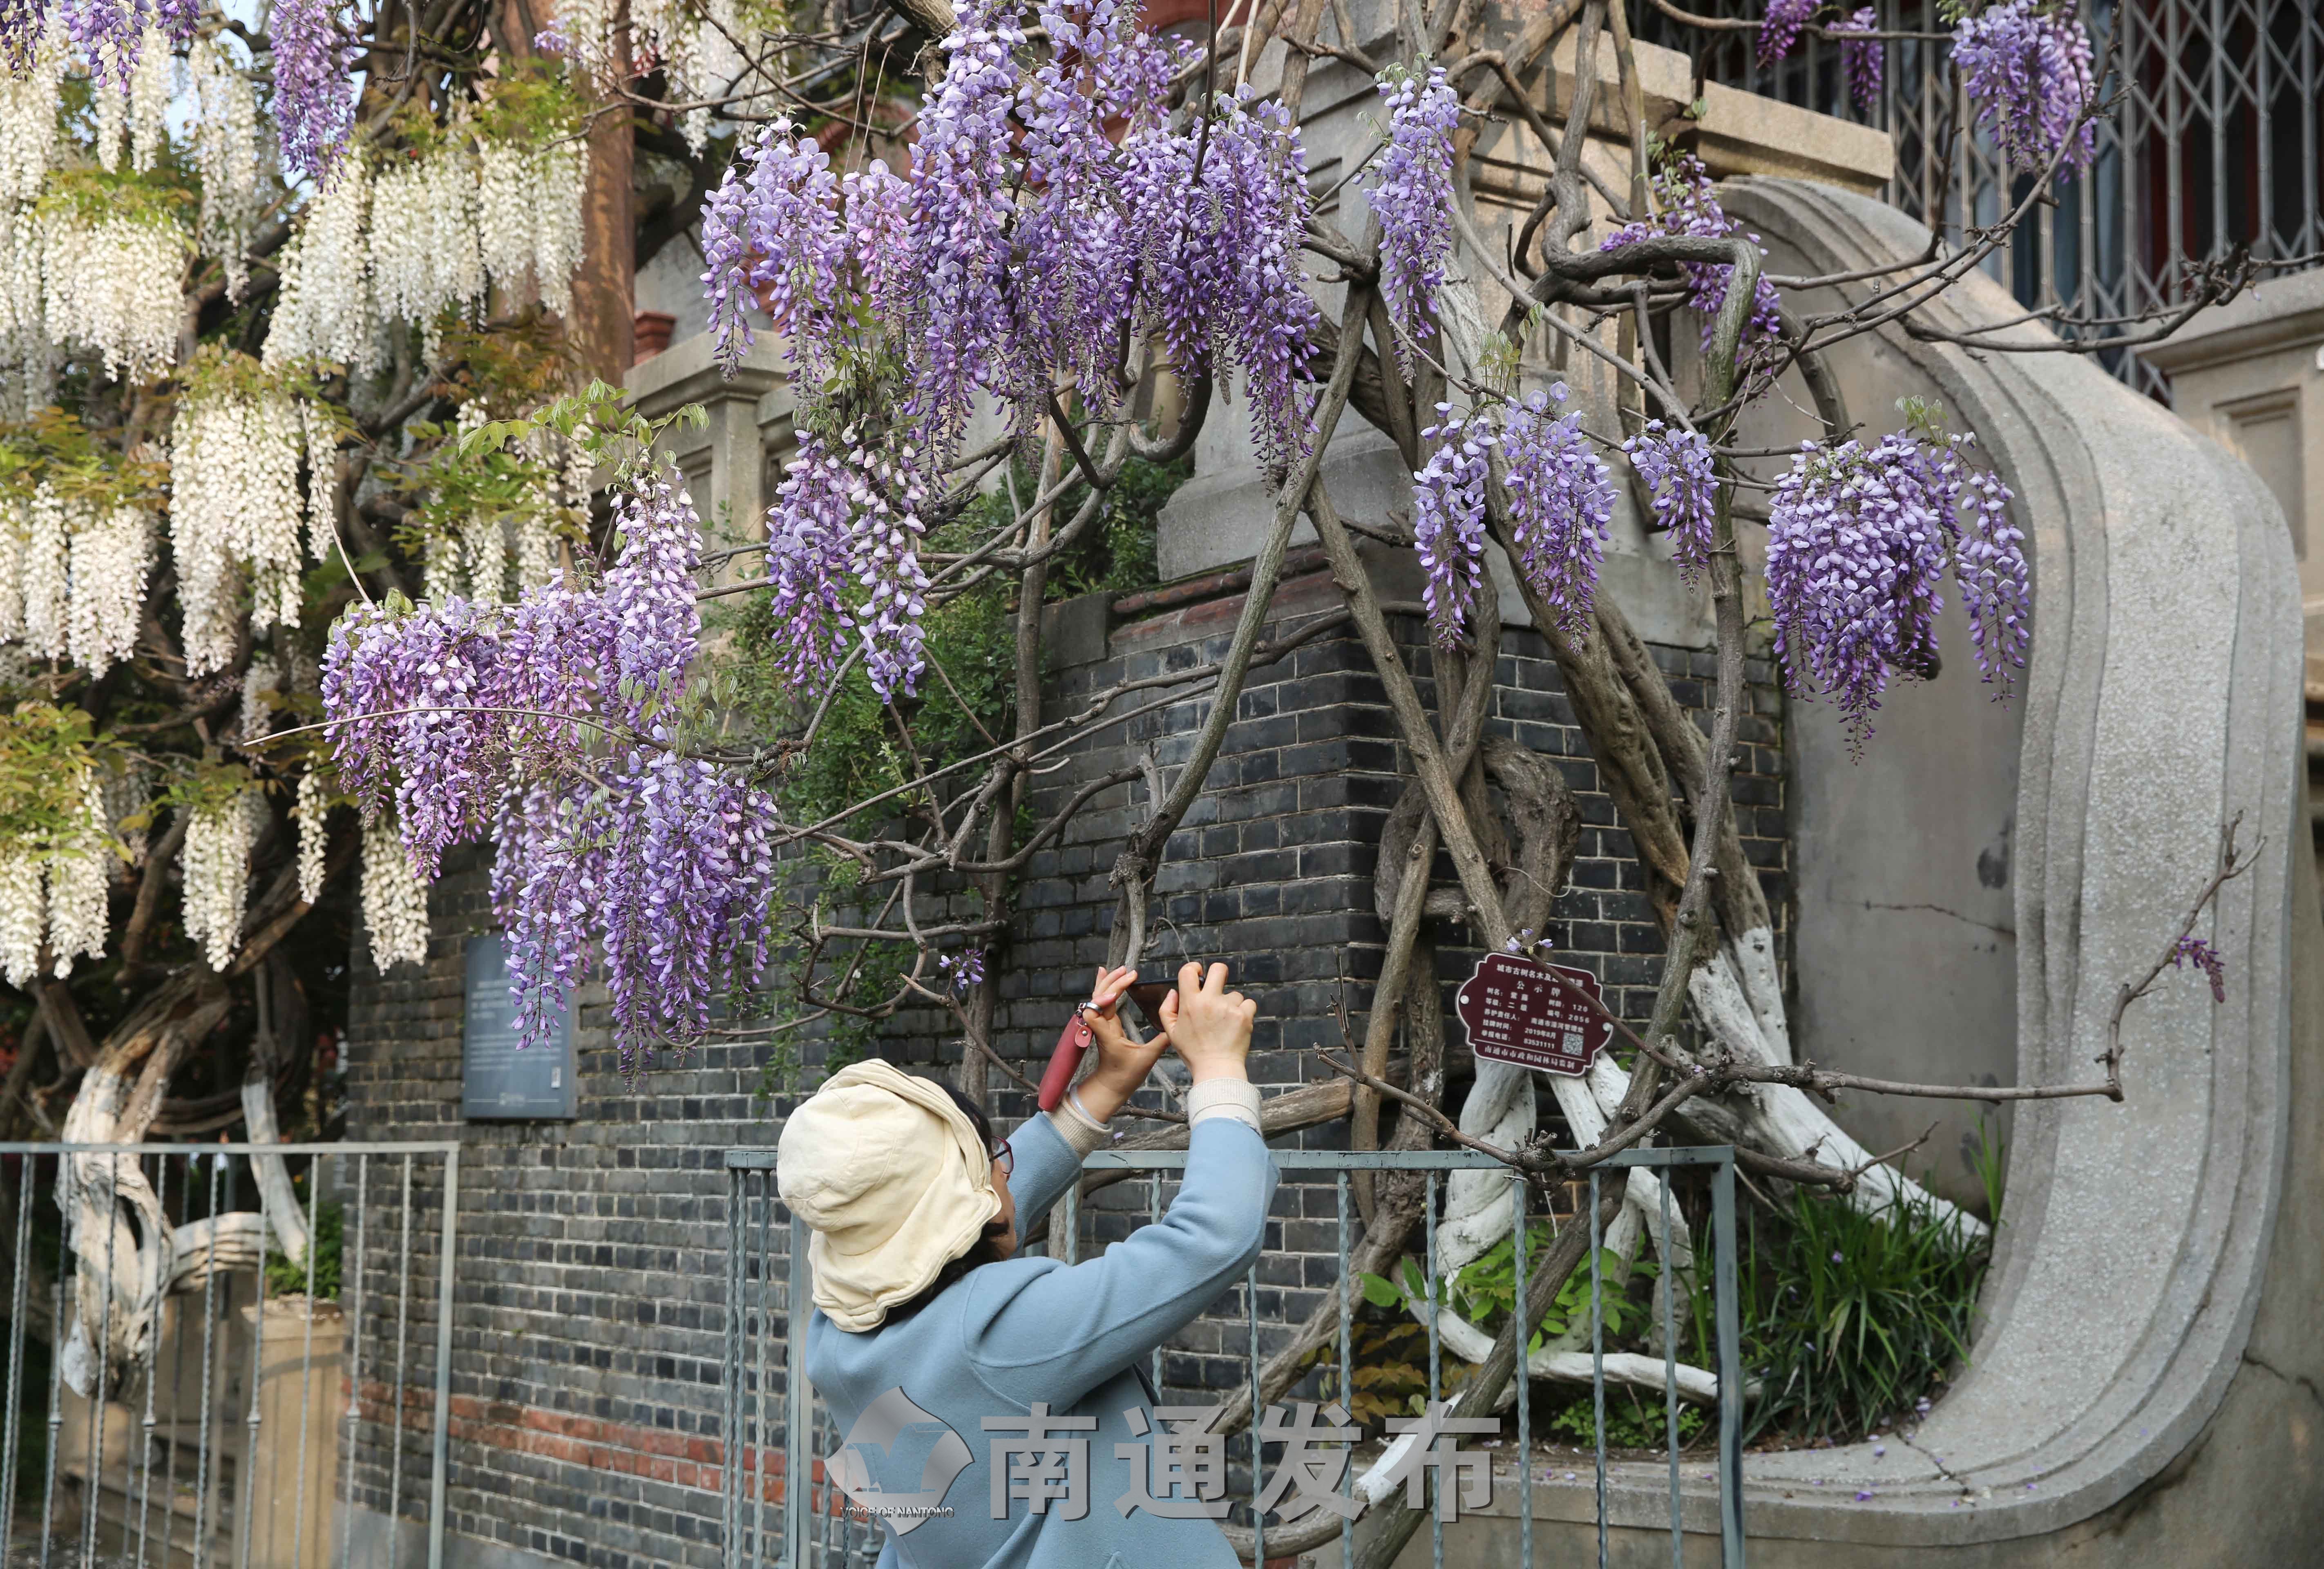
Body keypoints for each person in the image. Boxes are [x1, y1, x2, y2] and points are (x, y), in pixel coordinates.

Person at [777, 960, 1274, 1568]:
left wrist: (1103, 1092)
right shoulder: (1001, 1335)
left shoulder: (836, 1339)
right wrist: (1220, 1072)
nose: (1002, 1171)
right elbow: (1214, 1236)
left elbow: (969, 1222)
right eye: (989, 1160)